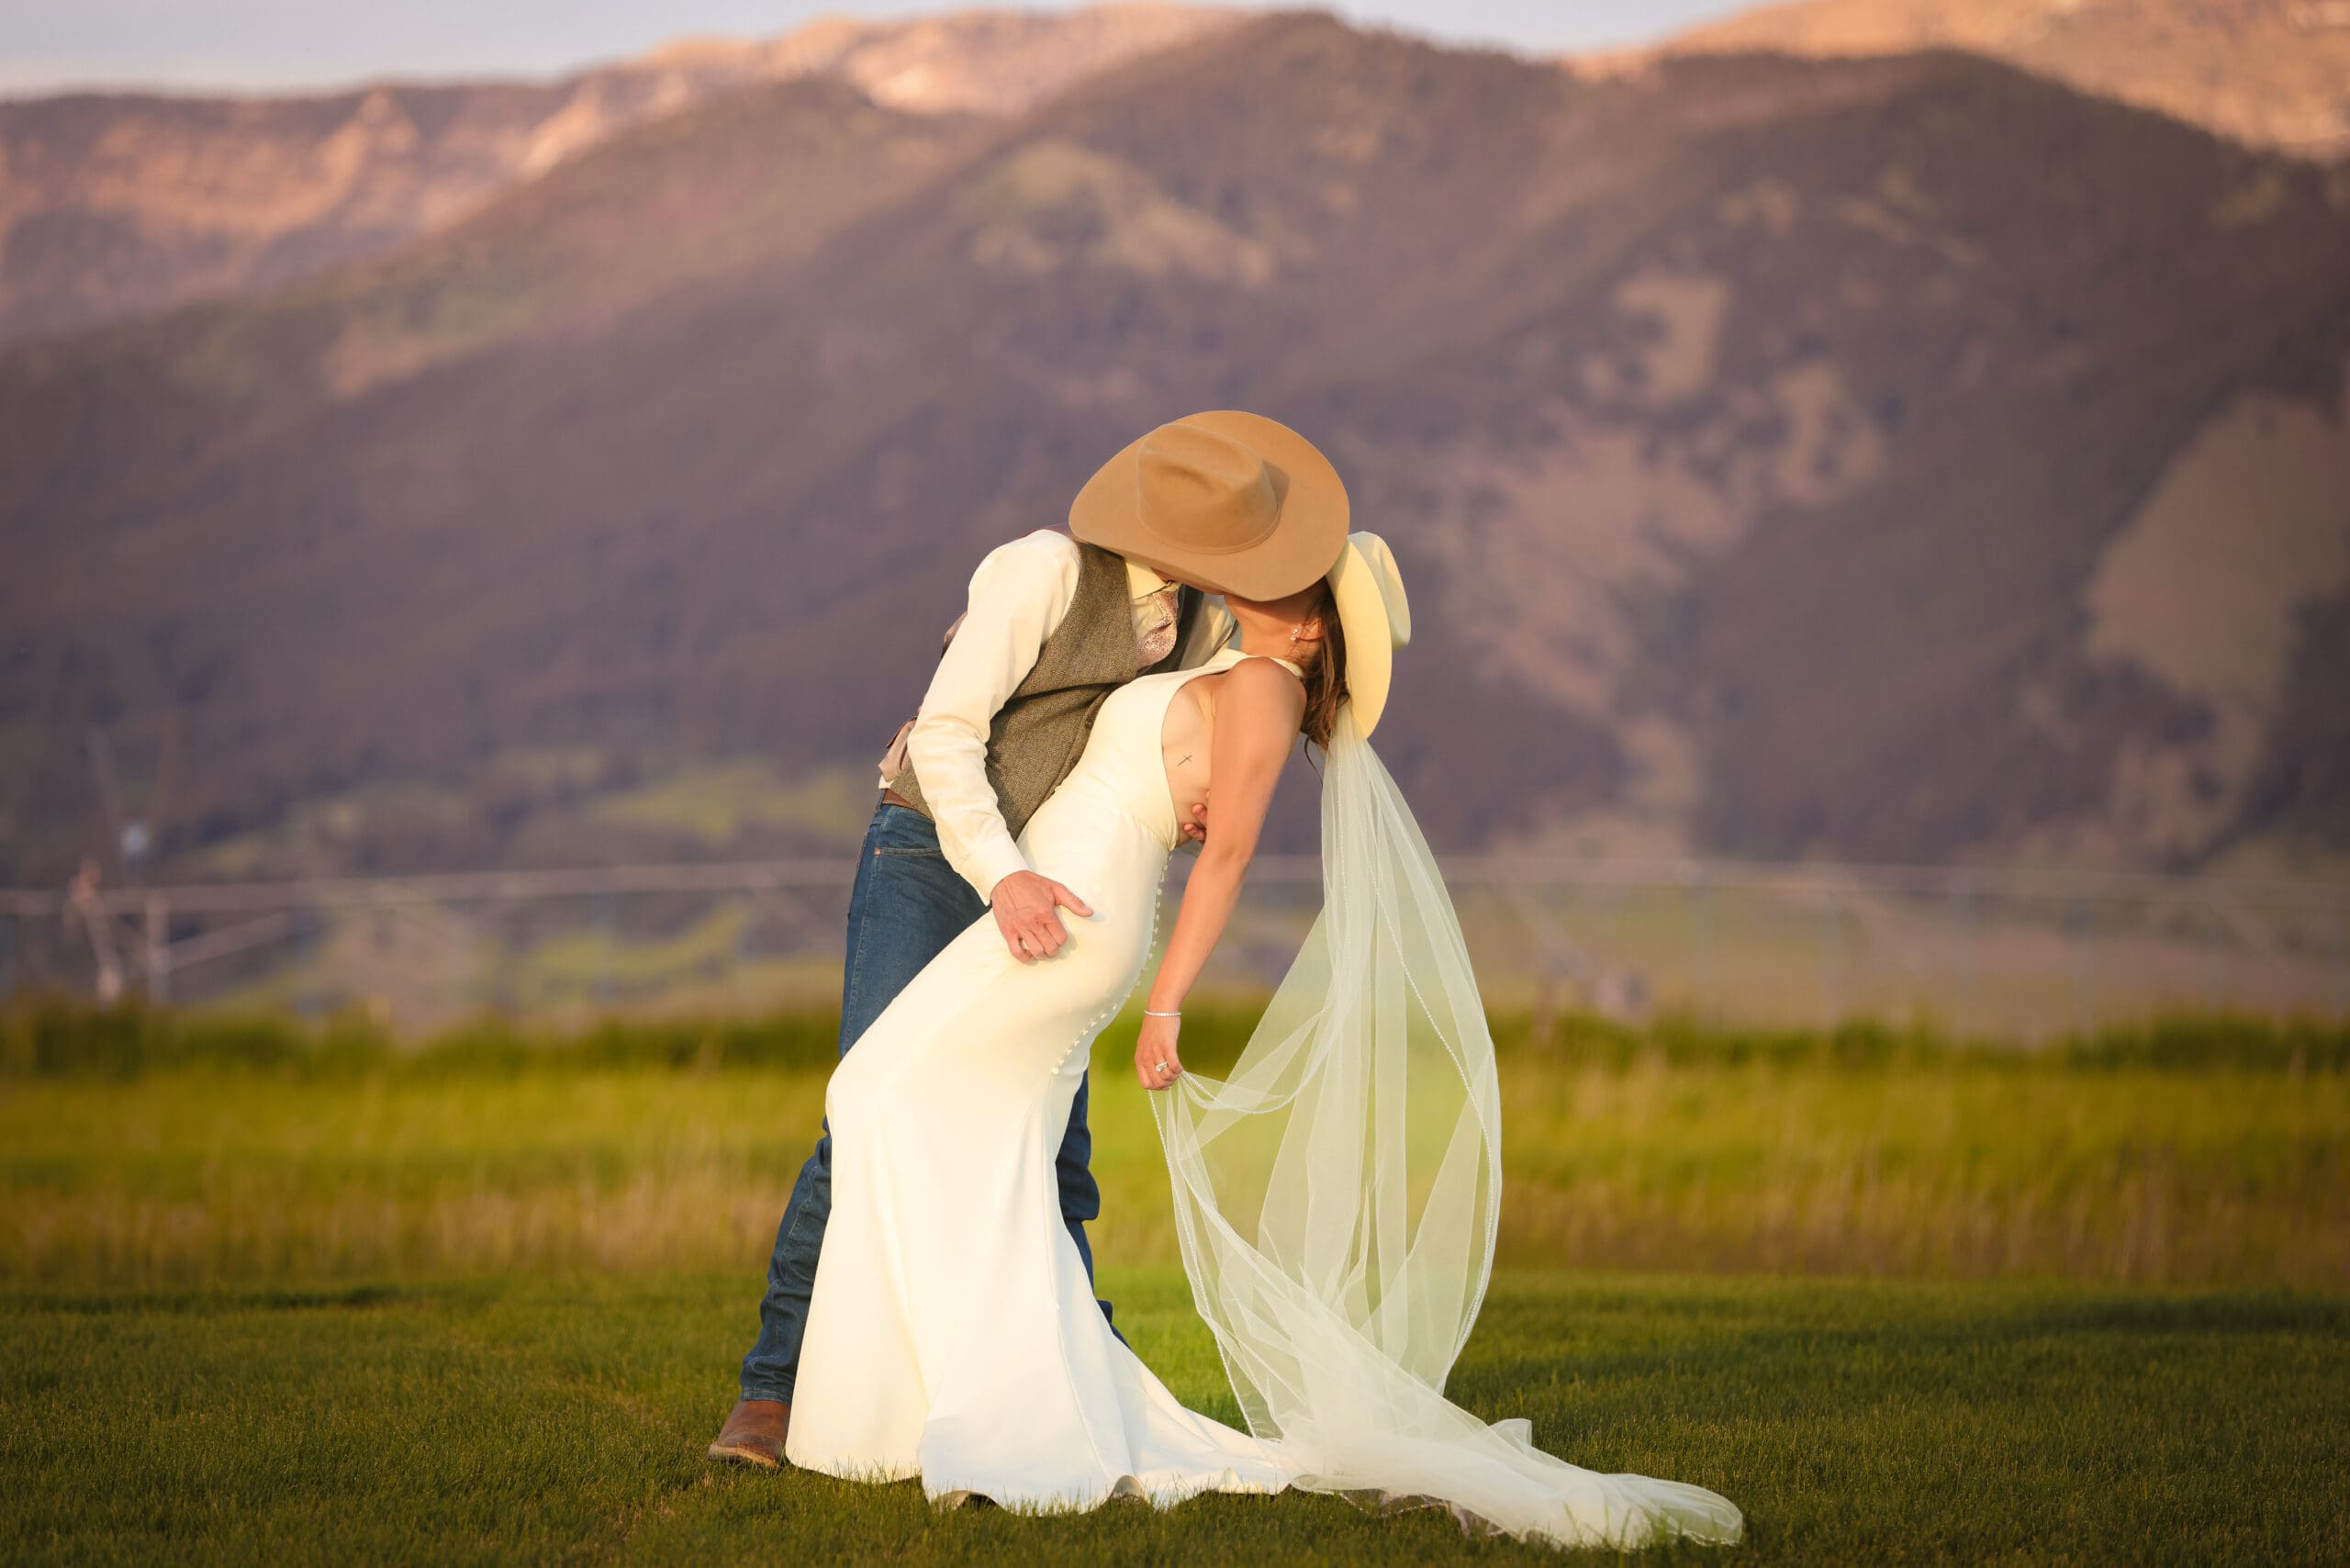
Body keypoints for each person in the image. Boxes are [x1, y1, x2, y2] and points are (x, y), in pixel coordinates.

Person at [775, 412, 1746, 1550]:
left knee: (889, 1102)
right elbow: (992, 737)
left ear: (1313, 620)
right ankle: (902, 1403)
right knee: (947, 1133)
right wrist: (1040, 852)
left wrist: (1165, 982)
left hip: (1062, 913)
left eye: (1292, 580)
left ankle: (975, 1409)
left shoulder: (1248, 674)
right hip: (992, 873)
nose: (1265, 581)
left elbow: (1223, 847)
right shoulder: (1098, 598)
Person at [708, 410, 1334, 1468]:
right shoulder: (1042, 570)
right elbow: (947, 733)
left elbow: (1218, 734)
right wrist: (1005, 880)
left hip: (1066, 898)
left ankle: (1068, 1379)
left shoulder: (1201, 631)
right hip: (933, 859)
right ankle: (772, 1391)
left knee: (1051, 1146)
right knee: (872, 1106)